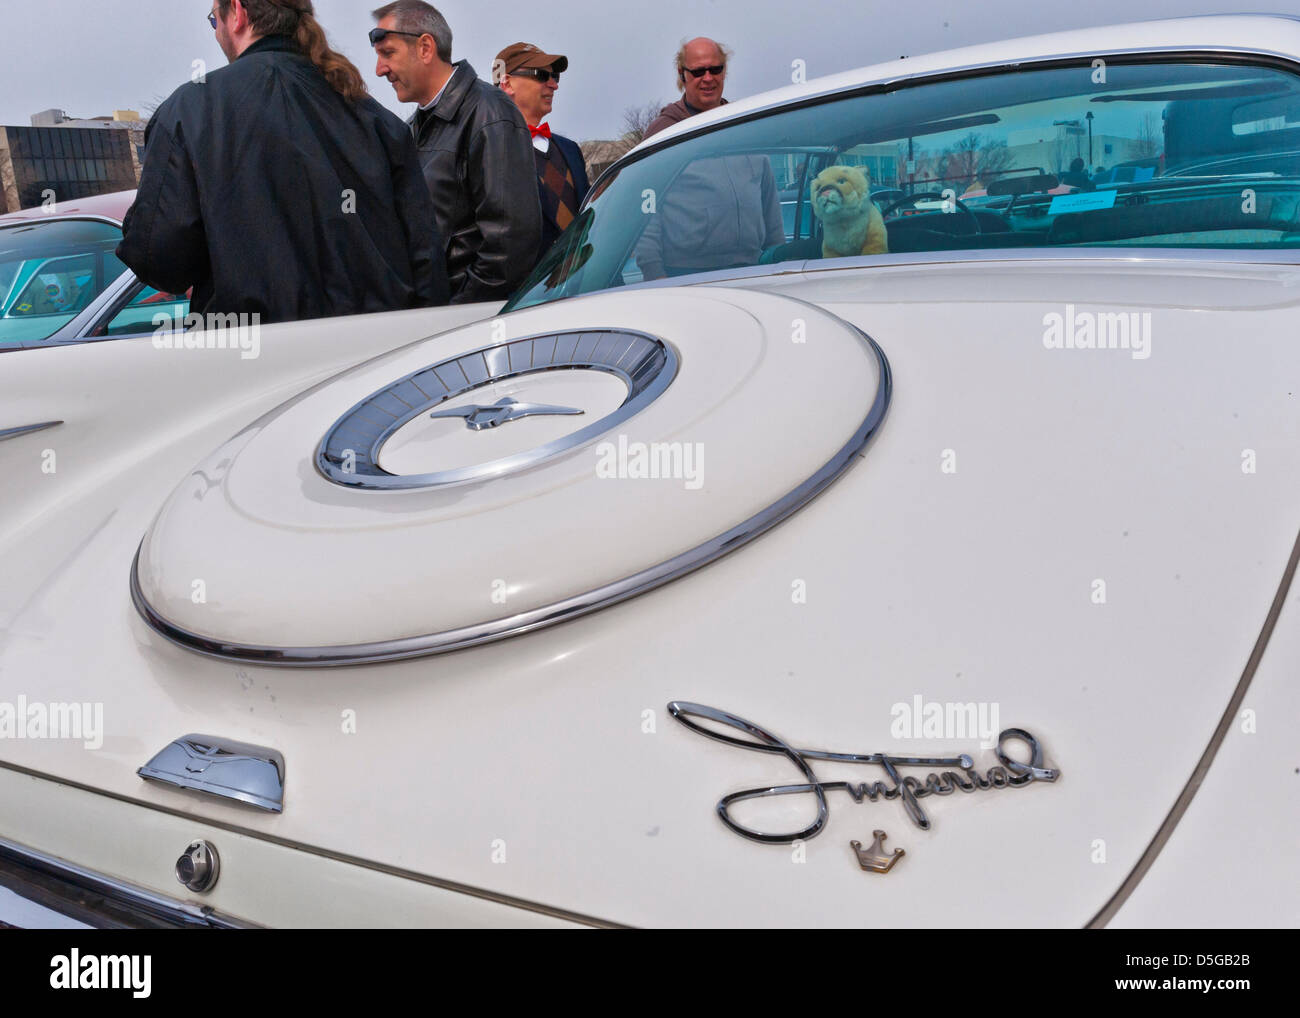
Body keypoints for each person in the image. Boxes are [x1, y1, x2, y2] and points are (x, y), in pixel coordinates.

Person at [118, 0, 447, 326]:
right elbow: (426, 264)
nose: (216, 33)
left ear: (238, 14)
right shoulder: (377, 121)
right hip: (378, 353)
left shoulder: (190, 111)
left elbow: (159, 261)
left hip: (258, 358)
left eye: (214, 20)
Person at [371, 2, 541, 304]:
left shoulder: (490, 113)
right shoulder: (411, 129)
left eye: (388, 53)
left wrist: (455, 314)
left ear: (425, 48)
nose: (379, 69)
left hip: (469, 330)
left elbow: (511, 244)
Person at [635, 38, 783, 280]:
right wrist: (655, 276)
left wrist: (779, 260)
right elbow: (645, 213)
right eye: (698, 72)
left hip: (754, 271)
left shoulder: (746, 126)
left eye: (715, 69)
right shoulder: (664, 133)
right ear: (682, 74)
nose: (708, 78)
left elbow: (769, 205)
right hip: (687, 276)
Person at [495, 42, 590, 267]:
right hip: (528, 294)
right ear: (507, 83)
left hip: (584, 283)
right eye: (541, 75)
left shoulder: (569, 148)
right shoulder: (489, 153)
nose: (553, 85)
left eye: (555, 76)